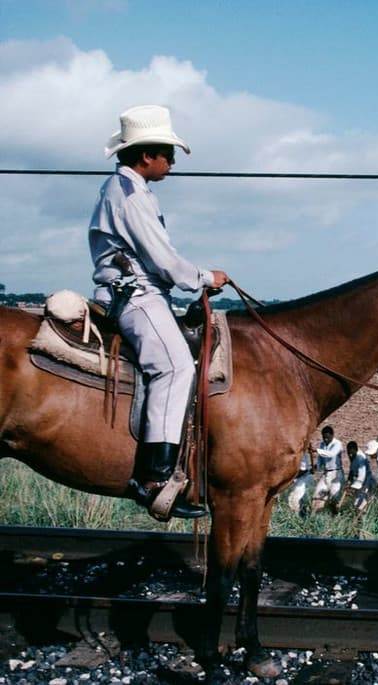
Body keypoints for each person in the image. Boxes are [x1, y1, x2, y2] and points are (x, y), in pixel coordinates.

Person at [90, 105, 228, 519]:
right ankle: (153, 479)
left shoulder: (131, 190)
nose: (171, 161)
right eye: (167, 153)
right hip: (136, 296)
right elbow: (164, 262)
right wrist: (206, 277)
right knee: (175, 368)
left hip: (145, 292)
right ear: (145, 155)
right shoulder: (130, 197)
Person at [311, 426, 345, 514]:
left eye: (327, 437)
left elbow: (331, 454)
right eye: (324, 437)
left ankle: (335, 516)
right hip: (326, 474)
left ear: (332, 435)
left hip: (336, 474)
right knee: (317, 496)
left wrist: (316, 450)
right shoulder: (322, 444)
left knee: (334, 498)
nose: (326, 439)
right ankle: (316, 517)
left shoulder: (337, 444)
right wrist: (316, 467)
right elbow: (321, 459)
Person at [347, 441, 377, 514]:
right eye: (349, 452)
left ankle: (363, 520)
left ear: (356, 450)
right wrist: (348, 481)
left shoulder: (360, 458)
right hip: (359, 481)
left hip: (366, 481)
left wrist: (353, 487)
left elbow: (362, 475)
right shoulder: (352, 456)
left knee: (361, 503)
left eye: (351, 453)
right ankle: (359, 520)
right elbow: (352, 470)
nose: (350, 455)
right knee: (356, 503)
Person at [287, 449, 314, 517]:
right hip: (296, 479)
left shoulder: (302, 455)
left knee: (297, 499)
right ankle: (296, 517)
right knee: (291, 499)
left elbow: (303, 470)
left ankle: (302, 518)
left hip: (302, 479)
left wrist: (290, 480)